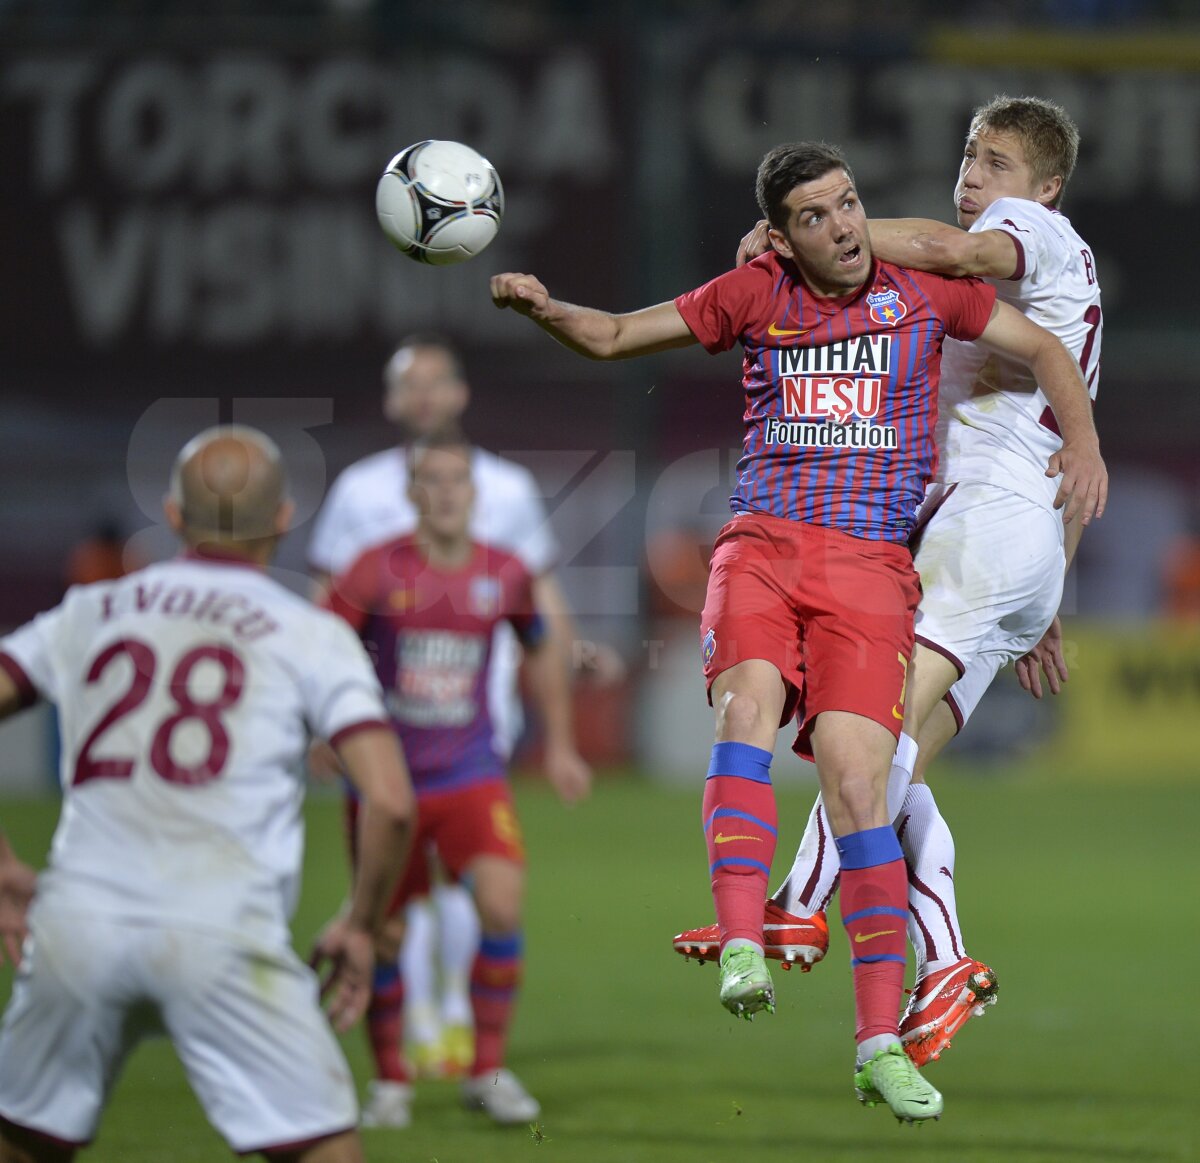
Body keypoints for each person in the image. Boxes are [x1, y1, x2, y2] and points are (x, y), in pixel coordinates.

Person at [490, 139, 1106, 1124]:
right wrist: (545, 308)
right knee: (759, 710)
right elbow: (611, 335)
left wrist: (1082, 445)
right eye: (815, 216)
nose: (844, 224)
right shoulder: (757, 292)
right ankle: (767, 933)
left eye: (851, 203)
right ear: (782, 236)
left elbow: (1020, 325)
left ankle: (864, 997)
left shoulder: (939, 277)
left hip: (882, 565)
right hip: (779, 545)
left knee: (869, 768)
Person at [672, 96, 1104, 1069]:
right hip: (1011, 547)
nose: (973, 177)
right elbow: (1052, 429)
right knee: (890, 760)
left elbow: (956, 253)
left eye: (994, 160)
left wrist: (822, 240)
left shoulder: (1025, 232)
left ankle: (792, 906)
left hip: (986, 525)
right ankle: (943, 955)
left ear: (1045, 187)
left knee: (867, 742)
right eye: (967, 154)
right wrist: (1047, 605)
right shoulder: (1058, 273)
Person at [0, 426, 415, 1163]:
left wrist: (3, 866)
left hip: (78, 923)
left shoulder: (89, 610)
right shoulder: (309, 633)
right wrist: (359, 922)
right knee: (323, 1150)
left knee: (25, 1142)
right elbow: (389, 800)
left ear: (173, 513)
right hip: (222, 930)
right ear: (285, 517)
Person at [308, 334, 598, 1086]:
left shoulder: (506, 489)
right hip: (385, 731)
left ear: (461, 394)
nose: (427, 397)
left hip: (478, 715)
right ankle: (418, 1035)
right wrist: (323, 718)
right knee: (402, 899)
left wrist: (565, 702)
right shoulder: (359, 495)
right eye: (413, 385)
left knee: (482, 882)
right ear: (394, 400)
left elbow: (537, 603)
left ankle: (457, 1017)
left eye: (439, 383)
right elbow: (324, 614)